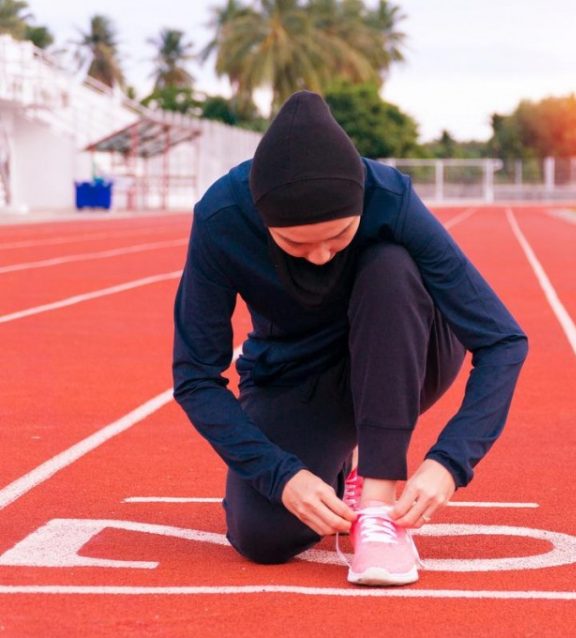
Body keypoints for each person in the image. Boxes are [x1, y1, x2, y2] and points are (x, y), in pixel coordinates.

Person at [172, 91, 528, 586]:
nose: (320, 256)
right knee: (263, 537)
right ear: (260, 217)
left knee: (390, 266)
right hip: (298, 374)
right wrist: (283, 475)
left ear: (361, 199)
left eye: (338, 236)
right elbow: (195, 376)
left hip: (406, 346)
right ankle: (344, 460)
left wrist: (449, 462)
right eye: (295, 244)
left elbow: (502, 340)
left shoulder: (391, 196)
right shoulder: (220, 219)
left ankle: (379, 503)